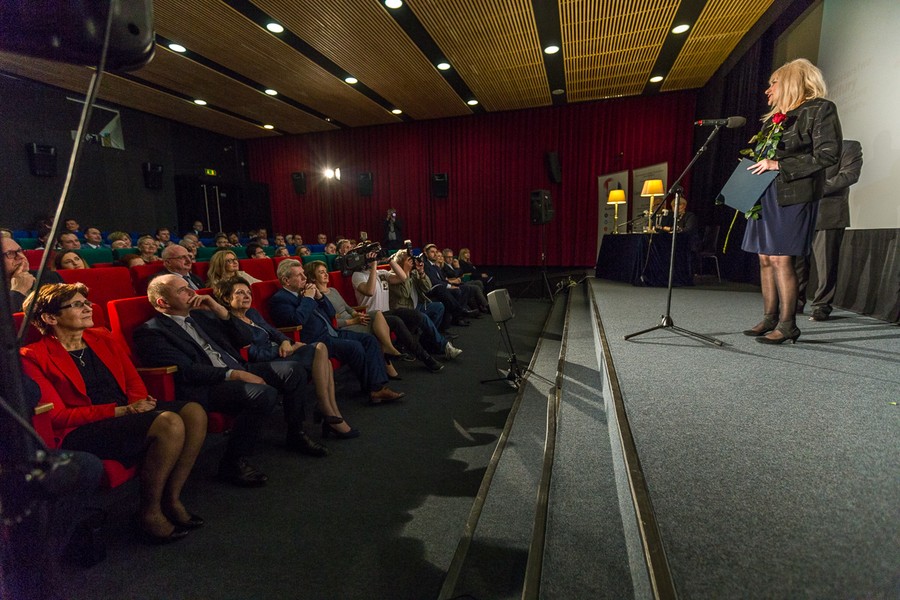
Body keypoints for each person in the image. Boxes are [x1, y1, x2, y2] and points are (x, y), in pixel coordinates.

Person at [20, 283, 207, 543]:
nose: (88, 308)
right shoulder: (33, 355)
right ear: (50, 318)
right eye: (77, 305)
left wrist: (138, 404)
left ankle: (172, 498)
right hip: (85, 429)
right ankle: (149, 512)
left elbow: (132, 380)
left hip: (125, 413)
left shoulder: (101, 336)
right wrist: (123, 411)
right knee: (169, 422)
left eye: (86, 303)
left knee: (194, 412)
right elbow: (58, 417)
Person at [741, 58, 842, 344]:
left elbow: (827, 154)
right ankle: (769, 317)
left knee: (781, 258)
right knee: (764, 258)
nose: (767, 90)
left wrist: (778, 165)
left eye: (773, 83)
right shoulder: (778, 119)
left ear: (790, 82)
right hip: (765, 194)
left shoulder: (820, 109)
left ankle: (788, 325)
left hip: (794, 194)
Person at [213, 277, 358, 439]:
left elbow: (273, 331)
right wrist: (286, 349)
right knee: (319, 351)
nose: (247, 296)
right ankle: (328, 411)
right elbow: (254, 354)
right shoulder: (231, 324)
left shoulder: (252, 313)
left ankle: (330, 411)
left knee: (322, 353)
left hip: (281, 351)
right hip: (267, 361)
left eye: (248, 292)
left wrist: (286, 342)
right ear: (226, 298)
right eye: (240, 293)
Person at [268, 259, 405, 405]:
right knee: (355, 347)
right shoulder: (280, 300)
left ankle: (377, 387)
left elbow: (331, 313)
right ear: (286, 280)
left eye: (303, 274)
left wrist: (320, 297)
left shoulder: (305, 293)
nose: (304, 278)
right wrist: (308, 298)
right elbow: (297, 320)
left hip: (331, 332)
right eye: (299, 275)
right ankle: (375, 389)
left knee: (369, 340)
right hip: (316, 340)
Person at [794, 140, 862, 321]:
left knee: (826, 265)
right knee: (797, 263)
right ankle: (795, 302)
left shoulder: (849, 147)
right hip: (799, 212)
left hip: (828, 213)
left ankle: (821, 306)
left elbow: (849, 175)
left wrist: (812, 189)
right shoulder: (804, 149)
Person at [305, 259, 406, 378]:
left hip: (353, 320)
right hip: (344, 326)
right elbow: (330, 322)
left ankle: (388, 349)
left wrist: (356, 314)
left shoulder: (332, 290)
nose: (326, 274)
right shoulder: (315, 297)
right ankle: (387, 363)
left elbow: (348, 307)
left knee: (377, 314)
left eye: (325, 271)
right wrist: (353, 321)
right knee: (376, 333)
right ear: (312, 277)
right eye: (321, 272)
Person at [3, 237, 63, 312]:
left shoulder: (50, 277)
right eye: (10, 253)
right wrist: (18, 292)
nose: (21, 257)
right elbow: (5, 320)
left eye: (20, 251)